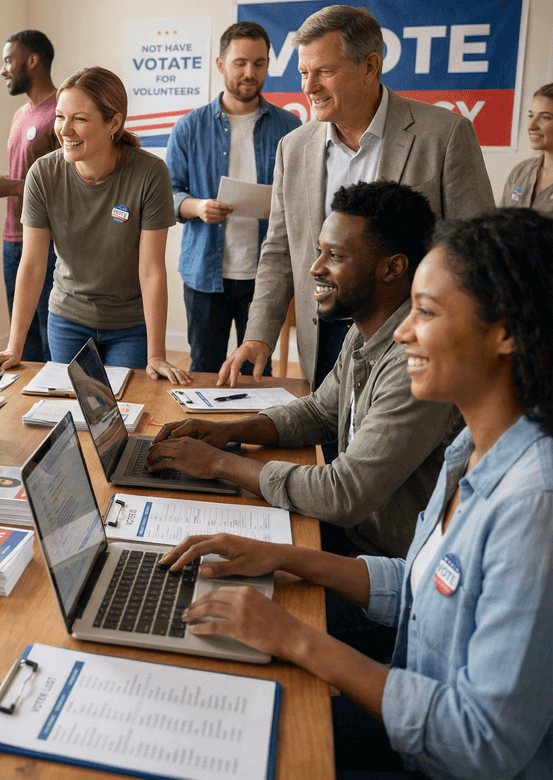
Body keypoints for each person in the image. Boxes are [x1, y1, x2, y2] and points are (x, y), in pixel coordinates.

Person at [161, 208, 553, 780]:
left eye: (427, 312)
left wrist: (297, 638)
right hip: (412, 711)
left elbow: (480, 743)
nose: (402, 331)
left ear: (507, 333)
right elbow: (419, 588)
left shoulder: (533, 504)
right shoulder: (472, 444)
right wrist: (287, 556)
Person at [147, 181, 460, 559]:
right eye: (318, 252)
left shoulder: (416, 365)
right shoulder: (362, 333)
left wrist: (218, 462)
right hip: (350, 538)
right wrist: (227, 431)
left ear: (392, 268)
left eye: (336, 256)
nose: (315, 268)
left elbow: (342, 493)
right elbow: (320, 412)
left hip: (385, 570)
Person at [218, 5, 494, 393]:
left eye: (324, 72)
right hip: (324, 337)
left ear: (370, 66)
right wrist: (258, 333)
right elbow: (281, 248)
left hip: (410, 340)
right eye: (303, 73)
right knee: (327, 446)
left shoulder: (445, 136)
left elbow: (477, 252)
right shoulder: (292, 148)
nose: (309, 86)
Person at [0, 67, 190, 384]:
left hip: (129, 324)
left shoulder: (150, 173)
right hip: (68, 318)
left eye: (80, 119)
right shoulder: (43, 174)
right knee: (70, 410)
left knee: (125, 408)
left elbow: (152, 269)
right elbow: (32, 265)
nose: (65, 130)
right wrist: (14, 346)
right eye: (60, 117)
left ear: (113, 123)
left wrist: (157, 354)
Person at [166, 21, 302, 373]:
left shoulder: (290, 127)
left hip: (266, 275)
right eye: (240, 63)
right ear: (220, 64)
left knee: (258, 373)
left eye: (259, 63)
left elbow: (304, 195)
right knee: (204, 369)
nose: (250, 72)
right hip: (204, 274)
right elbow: (167, 194)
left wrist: (286, 209)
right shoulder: (189, 127)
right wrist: (197, 207)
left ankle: (251, 429)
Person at [0, 30, 60, 362]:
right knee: (22, 340)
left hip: (49, 240)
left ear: (32, 60)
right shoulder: (20, 115)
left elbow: (69, 183)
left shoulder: (61, 113)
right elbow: (26, 176)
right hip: (13, 238)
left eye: (9, 60)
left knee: (52, 335)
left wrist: (11, 185)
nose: (3, 70)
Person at [498, 82, 553, 216]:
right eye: (531, 116)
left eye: (545, 117)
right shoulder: (520, 172)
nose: (531, 126)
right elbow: (501, 226)